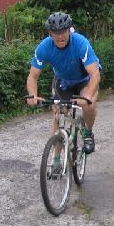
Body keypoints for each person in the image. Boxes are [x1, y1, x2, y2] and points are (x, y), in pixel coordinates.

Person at [26, 12, 101, 154]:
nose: (60, 36)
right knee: (58, 116)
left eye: (63, 32)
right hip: (63, 81)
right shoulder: (44, 47)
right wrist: (32, 95)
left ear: (69, 31)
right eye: (56, 33)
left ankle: (88, 133)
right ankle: (56, 159)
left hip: (85, 80)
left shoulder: (80, 43)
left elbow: (95, 74)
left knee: (89, 105)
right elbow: (32, 76)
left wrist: (87, 97)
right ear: (50, 33)